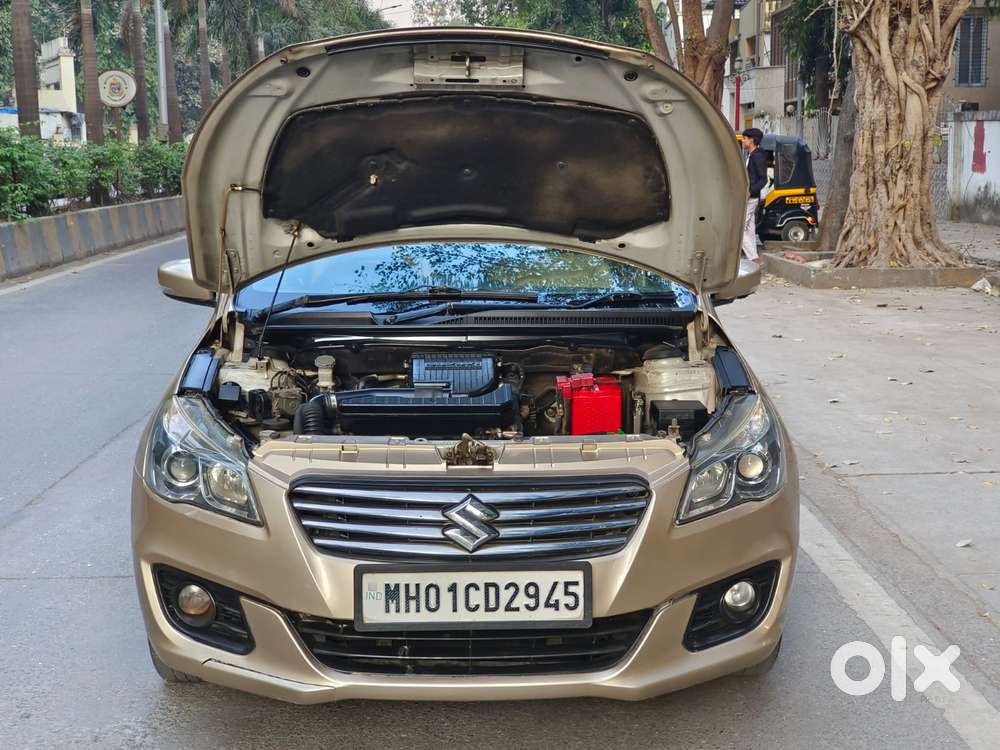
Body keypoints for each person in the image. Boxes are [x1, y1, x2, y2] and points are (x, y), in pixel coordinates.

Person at [740, 128, 768, 263]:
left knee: (740, 228)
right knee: (749, 228)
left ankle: (755, 259)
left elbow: (763, 179)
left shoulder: (758, 156)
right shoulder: (751, 155)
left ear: (751, 140)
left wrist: (750, 191)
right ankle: (753, 259)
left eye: (744, 138)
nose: (743, 141)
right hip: (749, 197)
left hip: (751, 198)